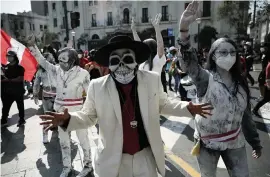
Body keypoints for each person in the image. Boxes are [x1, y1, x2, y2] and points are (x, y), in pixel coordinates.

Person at [39, 35, 212, 177]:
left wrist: (187, 108)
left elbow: (164, 104)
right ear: (109, 64)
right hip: (114, 161)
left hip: (146, 157)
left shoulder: (151, 79)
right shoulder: (97, 86)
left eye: (127, 59)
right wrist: (68, 119)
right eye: (115, 60)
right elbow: (89, 117)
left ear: (136, 61)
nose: (121, 65)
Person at [178, 1, 262, 177]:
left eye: (232, 52)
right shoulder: (205, 79)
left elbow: (246, 117)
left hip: (235, 143)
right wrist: (184, 30)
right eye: (223, 52)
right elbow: (188, 64)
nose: (229, 56)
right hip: (207, 144)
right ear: (213, 56)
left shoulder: (241, 84)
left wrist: (255, 142)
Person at [27, 36, 94, 177]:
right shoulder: (56, 70)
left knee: (83, 140)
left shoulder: (83, 74)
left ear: (72, 60)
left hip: (78, 112)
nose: (60, 62)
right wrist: (33, 47)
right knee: (63, 141)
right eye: (59, 59)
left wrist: (90, 112)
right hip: (59, 112)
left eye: (63, 60)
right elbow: (43, 62)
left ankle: (88, 165)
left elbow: (90, 95)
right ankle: (66, 167)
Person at [131, 14, 167, 92]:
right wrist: (133, 30)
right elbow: (138, 44)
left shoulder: (157, 60)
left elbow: (160, 45)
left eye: (144, 47)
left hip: (155, 94)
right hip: (143, 94)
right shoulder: (143, 62)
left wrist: (157, 28)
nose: (141, 49)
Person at [33, 52, 57, 143]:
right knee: (46, 116)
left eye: (50, 58)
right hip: (46, 96)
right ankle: (45, 135)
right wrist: (35, 94)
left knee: (60, 114)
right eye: (46, 58)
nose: (49, 60)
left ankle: (61, 132)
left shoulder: (57, 68)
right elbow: (36, 84)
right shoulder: (40, 71)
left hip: (58, 96)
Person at [1, 49, 26, 127]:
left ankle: (21, 120)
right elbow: (2, 79)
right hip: (7, 92)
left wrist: (8, 80)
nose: (8, 57)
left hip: (18, 91)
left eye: (9, 56)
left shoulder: (20, 68)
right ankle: (3, 121)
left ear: (14, 57)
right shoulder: (5, 68)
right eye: (7, 56)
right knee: (5, 107)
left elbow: (20, 79)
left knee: (20, 106)